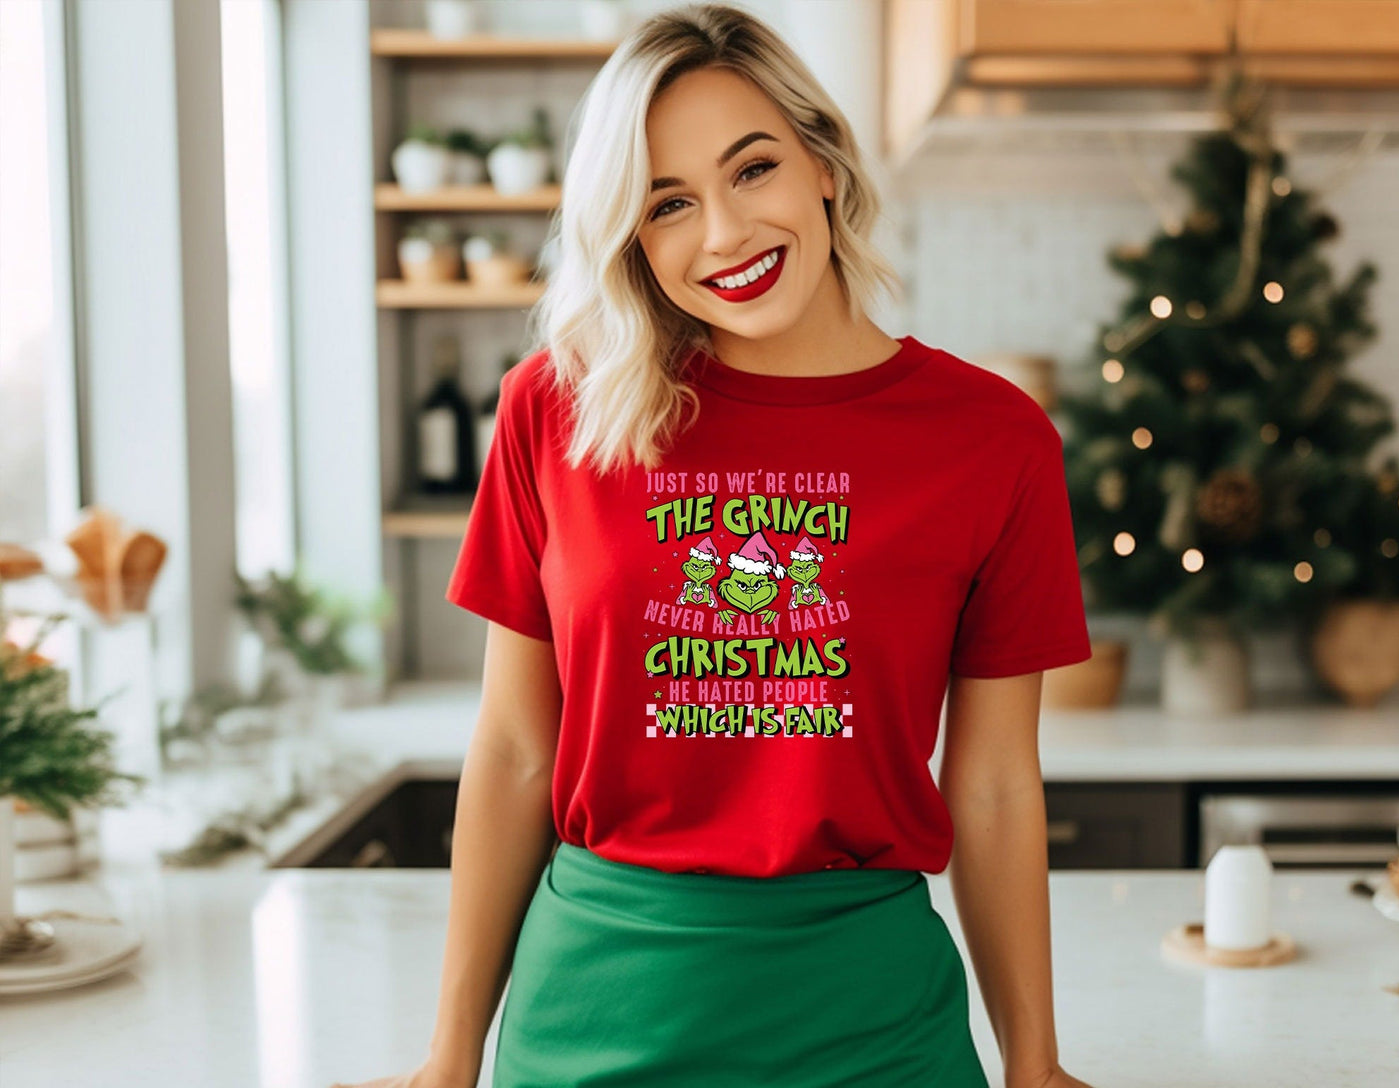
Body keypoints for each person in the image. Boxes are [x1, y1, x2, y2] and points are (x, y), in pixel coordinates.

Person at [334, 4, 1098, 1087]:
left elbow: (992, 785)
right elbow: (512, 748)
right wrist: (448, 1057)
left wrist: (1034, 1062)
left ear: (821, 162)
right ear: (630, 239)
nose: (725, 235)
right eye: (667, 205)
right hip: (590, 1017)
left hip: (871, 1025)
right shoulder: (555, 411)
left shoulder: (990, 436)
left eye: (751, 170)